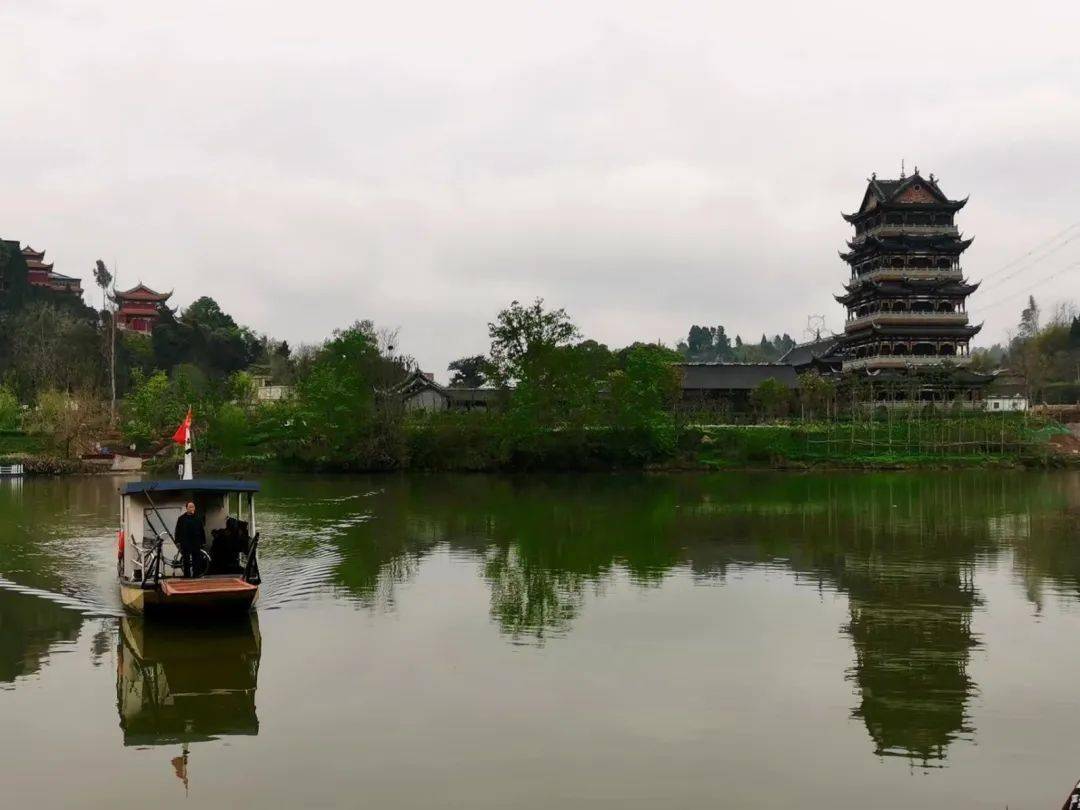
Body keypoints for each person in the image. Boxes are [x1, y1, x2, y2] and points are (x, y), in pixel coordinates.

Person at [173, 501, 206, 578]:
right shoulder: (181, 518)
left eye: (193, 507)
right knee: (186, 559)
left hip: (196, 541)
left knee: (196, 559)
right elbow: (178, 530)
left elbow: (202, 530)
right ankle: (187, 575)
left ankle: (196, 574)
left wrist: (203, 541)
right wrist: (177, 541)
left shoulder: (198, 518)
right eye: (190, 507)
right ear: (187, 508)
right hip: (185, 542)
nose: (192, 508)